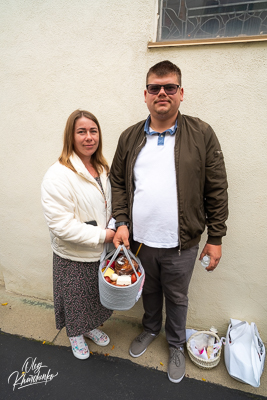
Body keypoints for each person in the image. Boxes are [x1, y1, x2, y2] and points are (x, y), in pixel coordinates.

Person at [110, 60, 228, 383]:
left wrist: (215, 238)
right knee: (148, 292)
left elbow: (216, 188)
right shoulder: (130, 137)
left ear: (181, 93)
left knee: (177, 298)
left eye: (169, 87)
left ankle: (176, 343)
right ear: (145, 95)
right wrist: (121, 220)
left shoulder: (202, 134)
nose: (162, 93)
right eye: (154, 88)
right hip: (140, 242)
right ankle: (150, 329)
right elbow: (117, 182)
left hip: (182, 245)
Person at [41, 110, 115, 360]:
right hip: (74, 253)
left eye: (93, 131)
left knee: (93, 296)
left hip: (99, 251)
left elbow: (109, 205)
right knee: (75, 298)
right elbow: (61, 225)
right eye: (81, 131)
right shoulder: (58, 174)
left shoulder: (102, 167)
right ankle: (75, 334)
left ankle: (89, 326)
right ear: (70, 137)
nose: (88, 137)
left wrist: (116, 226)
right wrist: (105, 234)